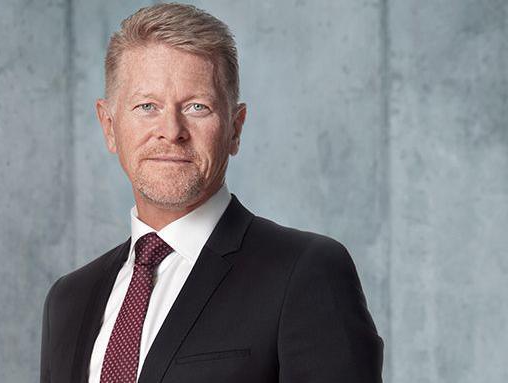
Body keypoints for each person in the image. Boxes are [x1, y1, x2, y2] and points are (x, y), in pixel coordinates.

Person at [40, 3, 384, 382]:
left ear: (235, 128)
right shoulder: (69, 300)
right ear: (109, 126)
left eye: (197, 107)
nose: (171, 130)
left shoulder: (305, 272)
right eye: (147, 106)